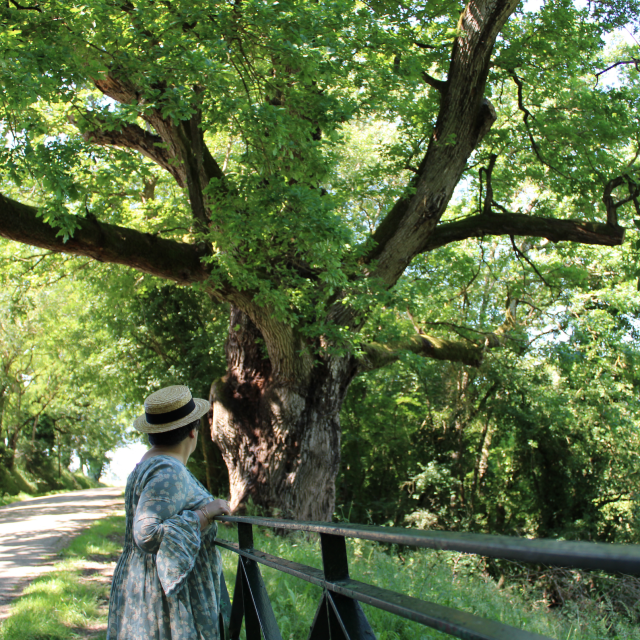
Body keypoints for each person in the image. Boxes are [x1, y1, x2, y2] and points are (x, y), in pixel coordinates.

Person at [107, 385, 231, 640]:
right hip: (165, 597)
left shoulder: (148, 466)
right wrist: (205, 514)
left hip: (148, 584)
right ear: (193, 432)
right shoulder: (168, 471)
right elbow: (147, 533)